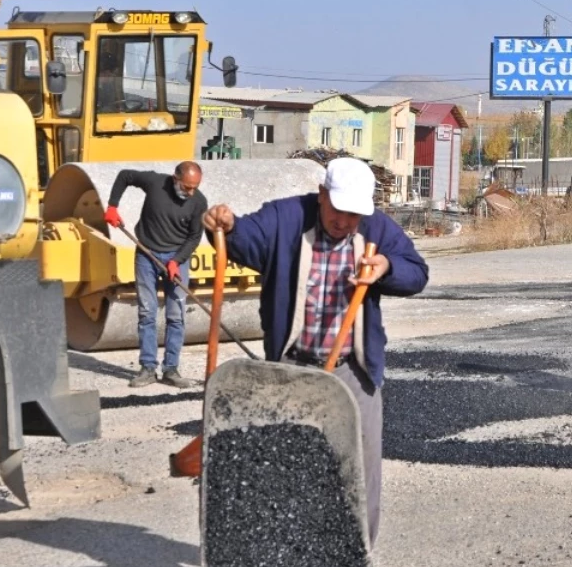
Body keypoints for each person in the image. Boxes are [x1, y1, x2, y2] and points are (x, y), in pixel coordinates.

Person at [201, 157, 429, 544]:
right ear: (322, 195)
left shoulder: (376, 228)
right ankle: (294, 555)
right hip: (293, 369)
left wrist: (386, 266)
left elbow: (416, 273)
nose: (344, 222)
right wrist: (226, 225)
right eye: (338, 211)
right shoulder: (287, 216)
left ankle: (357, 561)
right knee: (291, 468)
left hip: (352, 369)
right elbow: (244, 241)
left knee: (359, 470)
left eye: (354, 215)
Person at [104, 162, 207, 389]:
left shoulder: (198, 202)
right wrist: (112, 206)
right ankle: (147, 368)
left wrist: (176, 261)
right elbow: (125, 175)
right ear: (174, 178)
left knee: (176, 314)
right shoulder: (155, 183)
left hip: (176, 258)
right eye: (186, 187)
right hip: (146, 254)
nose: (190, 192)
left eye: (195, 187)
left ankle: (171, 369)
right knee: (147, 312)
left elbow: (193, 238)